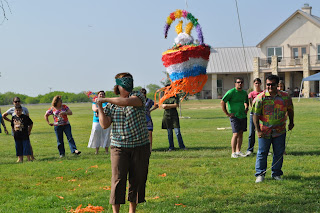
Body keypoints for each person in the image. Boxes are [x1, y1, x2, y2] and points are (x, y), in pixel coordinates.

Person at [96, 72, 151, 213]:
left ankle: (132, 210)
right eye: (124, 83)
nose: (128, 85)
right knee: (118, 180)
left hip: (140, 146)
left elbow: (126, 102)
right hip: (119, 146)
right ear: (118, 86)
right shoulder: (111, 105)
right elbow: (104, 124)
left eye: (129, 82)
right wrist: (100, 107)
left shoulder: (138, 96)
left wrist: (104, 100)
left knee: (137, 179)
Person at [253, 75, 294, 183]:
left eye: (272, 84)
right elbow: (255, 115)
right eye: (268, 84)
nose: (270, 86)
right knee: (262, 152)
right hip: (264, 130)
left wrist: (291, 122)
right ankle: (260, 174)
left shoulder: (285, 97)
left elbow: (290, 110)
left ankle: (276, 173)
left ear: (277, 85)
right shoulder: (260, 98)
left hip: (280, 130)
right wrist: (258, 130)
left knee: (279, 152)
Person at [221, 77, 249, 158]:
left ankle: (238, 151)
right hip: (234, 116)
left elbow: (246, 101)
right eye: (238, 82)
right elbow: (223, 101)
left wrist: (246, 109)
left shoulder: (244, 93)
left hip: (242, 116)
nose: (240, 83)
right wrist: (227, 113)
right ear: (235, 83)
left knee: (241, 133)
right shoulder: (231, 92)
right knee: (235, 134)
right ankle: (233, 152)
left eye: (241, 82)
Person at [161, 87, 186, 151]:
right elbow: (162, 106)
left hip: (174, 116)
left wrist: (167, 106)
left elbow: (176, 105)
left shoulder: (175, 96)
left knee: (177, 132)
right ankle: (171, 147)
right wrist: (169, 106)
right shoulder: (164, 97)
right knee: (169, 133)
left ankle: (182, 146)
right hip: (166, 116)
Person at [88, 90, 111, 154]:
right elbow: (95, 109)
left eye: (103, 94)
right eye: (100, 94)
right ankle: (97, 151)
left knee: (106, 135)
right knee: (96, 135)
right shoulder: (94, 103)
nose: (101, 95)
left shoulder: (107, 102)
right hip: (96, 121)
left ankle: (106, 151)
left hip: (105, 121)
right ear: (97, 95)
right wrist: (103, 108)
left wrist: (100, 108)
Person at [246, 78, 262, 156]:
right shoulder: (251, 94)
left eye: (258, 83)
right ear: (254, 84)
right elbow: (250, 103)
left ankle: (263, 148)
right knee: (251, 133)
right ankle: (250, 149)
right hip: (253, 114)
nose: (257, 84)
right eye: (256, 83)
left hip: (262, 115)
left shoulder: (263, 93)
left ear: (260, 84)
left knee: (263, 132)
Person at [140, 88, 158, 152]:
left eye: (144, 94)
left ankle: (150, 148)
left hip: (148, 119)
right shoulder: (138, 101)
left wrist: (150, 110)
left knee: (149, 133)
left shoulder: (149, 101)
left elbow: (156, 105)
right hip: (140, 120)